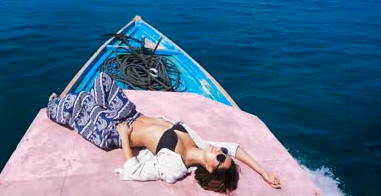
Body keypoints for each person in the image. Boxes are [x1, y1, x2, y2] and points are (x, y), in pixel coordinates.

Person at [47, 72, 281, 193]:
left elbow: (134, 171)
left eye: (220, 157)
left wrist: (125, 137)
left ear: (210, 168)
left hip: (115, 132)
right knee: (101, 80)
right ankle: (85, 106)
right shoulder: (200, 143)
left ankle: (58, 107)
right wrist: (263, 172)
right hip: (131, 115)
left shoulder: (175, 167)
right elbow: (235, 147)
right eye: (222, 152)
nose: (219, 150)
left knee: (75, 108)